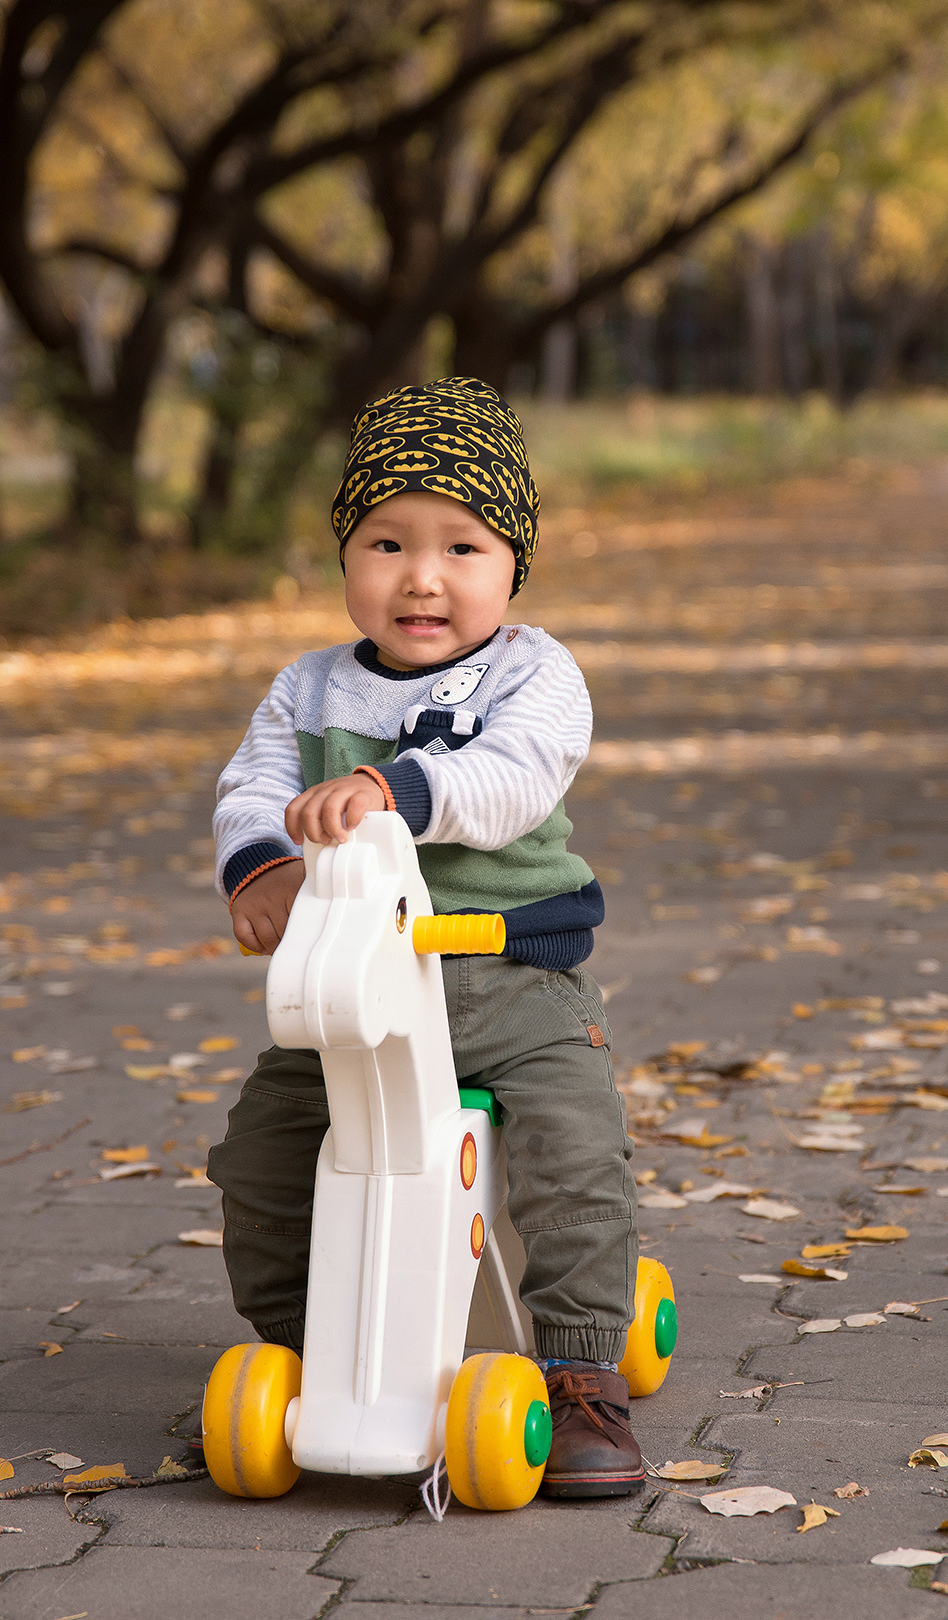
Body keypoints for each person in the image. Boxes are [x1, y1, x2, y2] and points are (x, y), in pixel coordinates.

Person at [207, 376, 642, 1497]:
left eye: (463, 545)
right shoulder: (307, 690)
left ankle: (585, 1369)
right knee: (261, 1155)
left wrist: (390, 787)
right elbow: (253, 787)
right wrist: (261, 865)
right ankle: (318, 1344)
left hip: (512, 979)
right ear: (346, 559)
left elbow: (506, 781)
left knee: (572, 1150)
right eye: (387, 541)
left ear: (513, 565)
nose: (422, 577)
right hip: (357, 1001)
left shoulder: (533, 674)